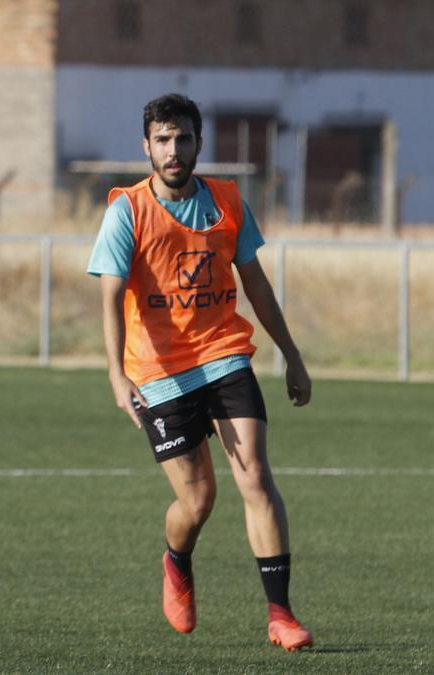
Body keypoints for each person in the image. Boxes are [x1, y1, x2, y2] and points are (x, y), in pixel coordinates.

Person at [87, 93, 314, 652]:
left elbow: (255, 283)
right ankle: (177, 560)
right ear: (146, 146)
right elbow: (111, 299)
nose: (173, 149)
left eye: (182, 138)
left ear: (198, 143)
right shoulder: (127, 212)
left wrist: (291, 353)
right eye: (162, 140)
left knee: (256, 478)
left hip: (224, 355)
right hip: (161, 373)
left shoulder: (228, 202)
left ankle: (281, 614)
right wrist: (117, 376)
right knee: (198, 502)